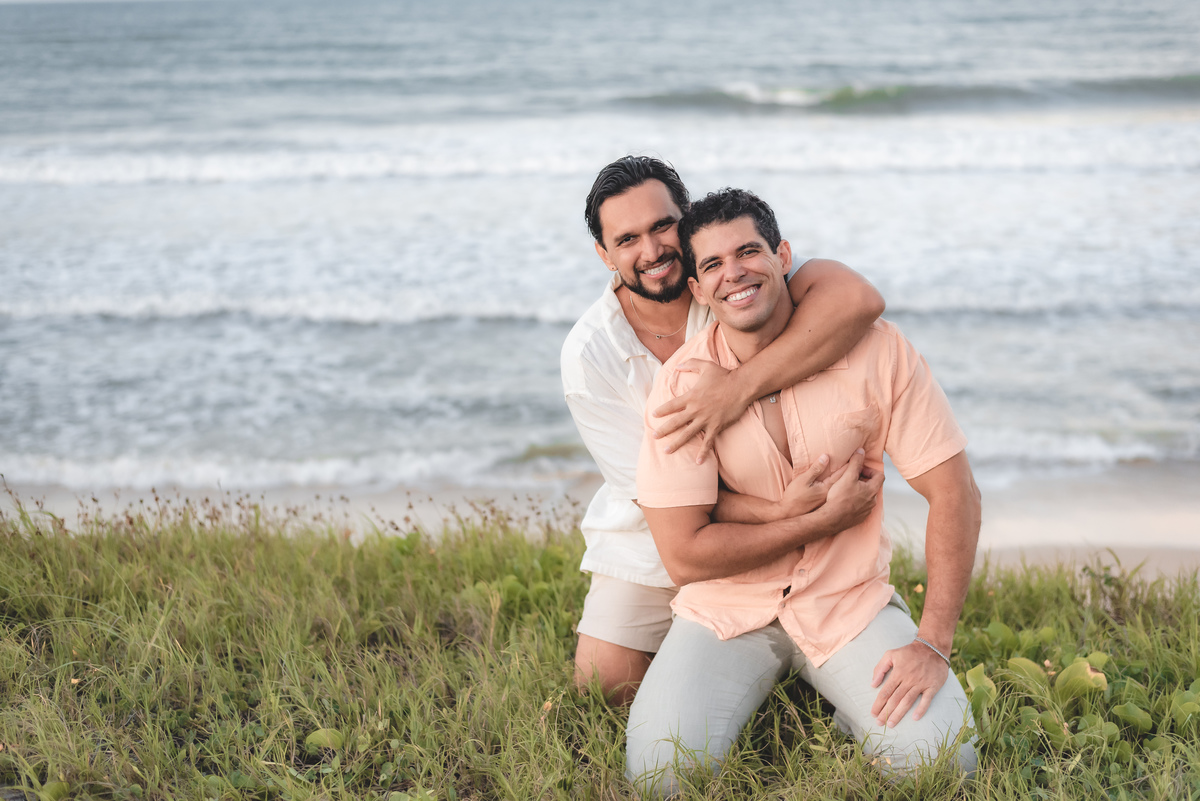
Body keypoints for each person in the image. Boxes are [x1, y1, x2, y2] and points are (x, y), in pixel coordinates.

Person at [629, 188, 981, 795]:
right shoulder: (681, 386)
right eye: (711, 265)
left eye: (747, 252)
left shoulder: (878, 348)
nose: (733, 273)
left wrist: (933, 642)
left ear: (783, 254)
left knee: (946, 763)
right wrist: (813, 522)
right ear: (697, 289)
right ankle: (797, 692)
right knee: (661, 776)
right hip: (728, 610)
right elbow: (684, 555)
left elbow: (955, 492)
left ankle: (844, 697)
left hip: (847, 603)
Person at [561, 156, 887, 704]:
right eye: (628, 239)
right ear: (603, 254)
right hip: (658, 532)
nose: (652, 252)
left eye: (663, 226)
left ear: (685, 218)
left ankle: (779, 665)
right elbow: (655, 503)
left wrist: (736, 390)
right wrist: (782, 511)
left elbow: (858, 301)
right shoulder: (590, 356)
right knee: (604, 685)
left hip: (776, 495)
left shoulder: (731, 278)